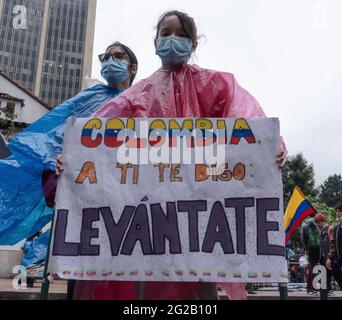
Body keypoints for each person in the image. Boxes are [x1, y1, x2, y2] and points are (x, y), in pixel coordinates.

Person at [88, 10, 287, 300]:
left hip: (200, 218)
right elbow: (96, 137)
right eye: (165, 34)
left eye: (180, 34)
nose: (171, 39)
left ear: (193, 44)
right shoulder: (137, 95)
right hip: (152, 217)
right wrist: (71, 159)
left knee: (199, 288)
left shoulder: (214, 85)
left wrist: (271, 146)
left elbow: (248, 120)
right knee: (150, 287)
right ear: (155, 41)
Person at [0, 42, 137, 246]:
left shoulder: (139, 100)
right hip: (80, 185)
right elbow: (57, 132)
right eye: (105, 57)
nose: (109, 61)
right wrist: (57, 158)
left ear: (132, 67)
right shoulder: (89, 97)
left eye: (117, 56)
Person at [314, 213, 333, 299]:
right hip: (323, 261)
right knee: (323, 283)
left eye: (318, 223)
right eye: (316, 223)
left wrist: (329, 257)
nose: (317, 225)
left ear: (323, 221)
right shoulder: (321, 232)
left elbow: (333, 245)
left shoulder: (330, 230)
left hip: (331, 260)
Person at [301, 213, 320, 295]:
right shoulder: (319, 222)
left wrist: (306, 248)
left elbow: (303, 238)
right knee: (320, 267)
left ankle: (311, 289)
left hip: (310, 247)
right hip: (319, 248)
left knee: (311, 267)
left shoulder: (305, 223)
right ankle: (319, 288)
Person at [326, 202, 342, 291]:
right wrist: (329, 258)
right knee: (336, 274)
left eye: (338, 212)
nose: (337, 214)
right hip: (338, 259)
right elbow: (332, 244)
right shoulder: (335, 228)